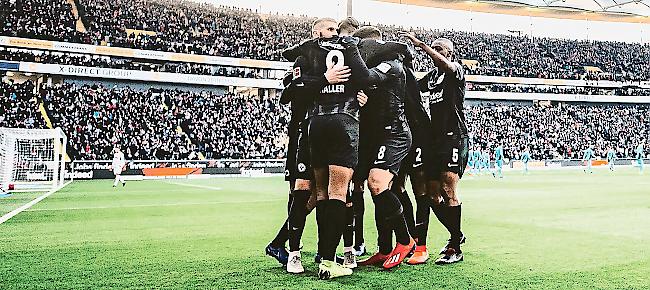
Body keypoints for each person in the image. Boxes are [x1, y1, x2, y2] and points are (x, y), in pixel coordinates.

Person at [283, 17, 369, 279]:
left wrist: (361, 96)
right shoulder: (310, 53)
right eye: (330, 29)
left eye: (337, 30)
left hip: (320, 124)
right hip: (320, 127)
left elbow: (362, 81)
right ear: (317, 31)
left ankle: (338, 251)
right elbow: (291, 92)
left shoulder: (330, 51)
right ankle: (318, 258)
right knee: (322, 193)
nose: (335, 34)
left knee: (329, 194)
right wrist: (325, 78)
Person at [350, 26, 417, 269]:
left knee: (377, 183)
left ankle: (405, 240)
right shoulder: (376, 65)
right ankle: (384, 248)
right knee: (378, 190)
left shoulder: (392, 64)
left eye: (360, 47)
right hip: (377, 136)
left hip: (395, 134)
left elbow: (370, 79)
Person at [403, 32, 468, 265]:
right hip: (434, 140)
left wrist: (421, 45)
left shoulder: (457, 69)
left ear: (450, 53)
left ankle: (454, 247)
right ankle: (456, 232)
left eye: (440, 49)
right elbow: (410, 89)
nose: (435, 52)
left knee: (448, 189)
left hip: (454, 136)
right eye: (434, 48)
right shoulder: (431, 77)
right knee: (432, 194)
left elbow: (446, 66)